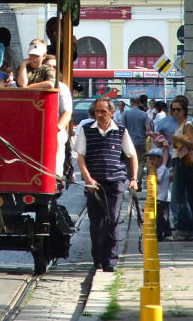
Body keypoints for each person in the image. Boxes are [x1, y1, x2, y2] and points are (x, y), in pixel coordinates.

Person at [74, 97, 138, 271]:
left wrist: (133, 179)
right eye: (97, 112)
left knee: (112, 219)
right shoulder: (86, 130)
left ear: (111, 112)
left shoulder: (121, 131)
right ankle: (98, 259)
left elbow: (132, 155)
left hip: (115, 182)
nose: (100, 115)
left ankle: (110, 260)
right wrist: (88, 180)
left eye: (103, 111)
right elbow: (80, 158)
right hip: (94, 184)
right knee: (96, 223)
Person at [169, 95, 193, 239]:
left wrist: (178, 140)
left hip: (184, 162)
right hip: (178, 161)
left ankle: (186, 229)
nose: (175, 112)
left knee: (181, 197)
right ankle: (187, 228)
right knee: (180, 196)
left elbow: (192, 144)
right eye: (173, 110)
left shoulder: (188, 124)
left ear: (185, 110)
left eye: (178, 109)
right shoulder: (180, 124)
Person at [44, 54, 74, 180]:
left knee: (57, 138)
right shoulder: (31, 82)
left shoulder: (61, 88)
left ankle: (56, 175)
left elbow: (67, 112)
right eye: (48, 66)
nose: (51, 69)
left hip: (52, 128)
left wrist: (58, 126)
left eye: (54, 67)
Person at [123, 97, 151, 190]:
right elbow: (148, 130)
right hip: (140, 142)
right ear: (139, 103)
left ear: (131, 103)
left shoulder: (126, 113)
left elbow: (122, 129)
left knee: (128, 162)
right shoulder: (144, 115)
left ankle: (131, 179)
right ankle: (137, 180)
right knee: (141, 162)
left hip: (128, 142)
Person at [146, 147, 171, 241]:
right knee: (163, 215)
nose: (151, 161)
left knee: (160, 217)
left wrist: (153, 171)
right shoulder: (155, 169)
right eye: (150, 159)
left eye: (154, 158)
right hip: (157, 195)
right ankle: (168, 232)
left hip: (162, 197)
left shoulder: (162, 169)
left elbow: (158, 181)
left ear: (160, 159)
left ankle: (159, 234)